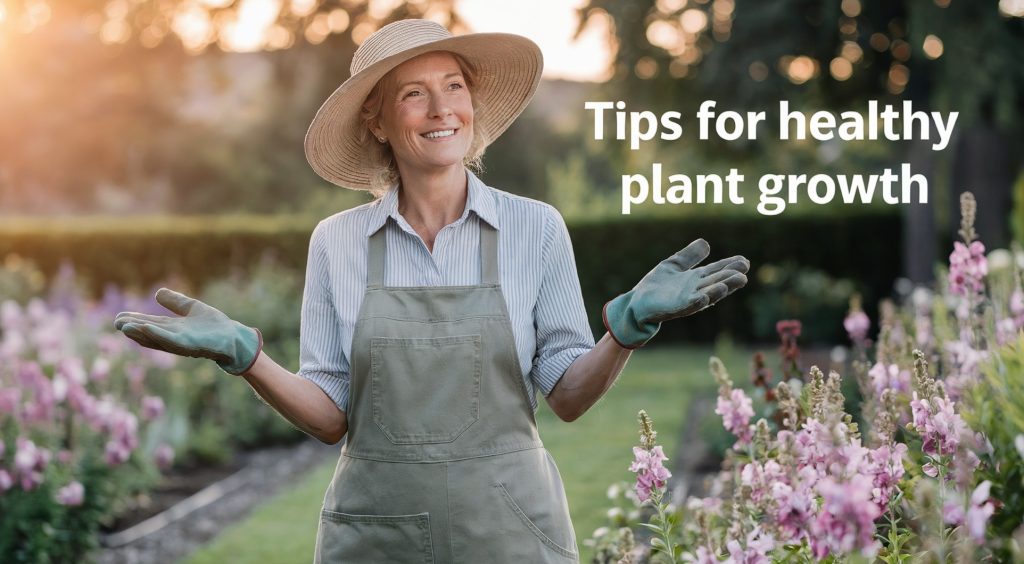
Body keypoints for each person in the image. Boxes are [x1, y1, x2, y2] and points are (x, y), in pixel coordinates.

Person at [114, 19, 749, 563]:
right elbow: (332, 416)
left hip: (510, 532)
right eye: (414, 94)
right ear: (379, 120)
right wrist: (246, 356)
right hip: (375, 539)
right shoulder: (336, 243)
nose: (442, 109)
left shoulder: (535, 228)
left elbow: (569, 398)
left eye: (454, 87)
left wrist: (627, 329)